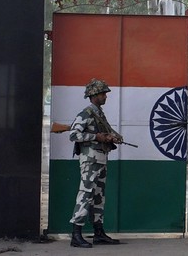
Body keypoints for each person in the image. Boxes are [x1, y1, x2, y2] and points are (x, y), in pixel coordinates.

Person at [67, 78, 122, 248]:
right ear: (94, 95)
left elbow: (105, 131)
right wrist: (96, 137)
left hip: (100, 159)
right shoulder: (86, 113)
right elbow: (73, 135)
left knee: (98, 196)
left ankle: (99, 233)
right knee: (85, 194)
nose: (105, 96)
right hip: (90, 160)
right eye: (103, 93)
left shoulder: (98, 114)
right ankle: (76, 234)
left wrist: (113, 137)